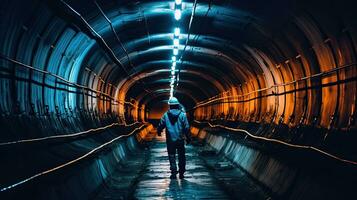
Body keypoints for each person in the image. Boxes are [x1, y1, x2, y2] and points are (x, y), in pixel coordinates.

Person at [157, 97, 191, 179]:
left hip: (170, 140)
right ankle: (181, 173)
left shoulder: (165, 115)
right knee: (181, 156)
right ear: (177, 105)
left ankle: (173, 173)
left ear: (170, 106)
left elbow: (161, 124)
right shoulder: (182, 115)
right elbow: (186, 127)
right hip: (180, 139)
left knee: (171, 156)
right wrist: (188, 137)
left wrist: (159, 131)